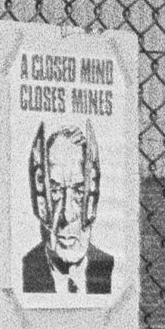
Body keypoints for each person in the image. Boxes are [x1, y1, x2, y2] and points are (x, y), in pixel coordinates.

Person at [21, 121, 113, 296]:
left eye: (79, 191)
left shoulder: (108, 268)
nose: (67, 215)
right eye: (54, 191)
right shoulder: (24, 270)